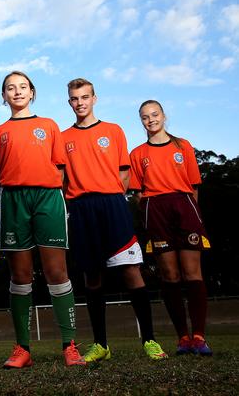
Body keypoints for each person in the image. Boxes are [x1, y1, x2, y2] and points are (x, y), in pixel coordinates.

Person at [62, 78, 167, 362]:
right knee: (92, 276)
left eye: (85, 97)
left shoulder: (113, 130)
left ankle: (149, 340)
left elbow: (124, 174)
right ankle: (101, 345)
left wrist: (110, 196)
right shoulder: (63, 137)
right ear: (69, 102)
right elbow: (62, 180)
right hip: (81, 208)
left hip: (112, 205)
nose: (80, 102)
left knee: (131, 270)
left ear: (94, 98)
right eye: (74, 98)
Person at [0, 71, 85, 369]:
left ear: (32, 92)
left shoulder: (48, 125)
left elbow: (59, 168)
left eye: (22, 87)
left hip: (47, 198)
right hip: (14, 200)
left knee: (56, 270)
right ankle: (22, 348)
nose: (17, 92)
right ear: (4, 96)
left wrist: (44, 188)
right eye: (10, 88)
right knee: (20, 275)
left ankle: (69, 345)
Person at [129, 100, 211, 356]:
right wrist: (150, 213)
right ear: (140, 121)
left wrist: (191, 213)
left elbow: (194, 186)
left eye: (154, 115)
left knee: (192, 272)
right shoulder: (137, 154)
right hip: (156, 209)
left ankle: (199, 336)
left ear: (164, 116)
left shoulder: (182, 146)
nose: (151, 120)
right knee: (170, 275)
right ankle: (182, 338)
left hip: (183, 205)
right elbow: (137, 194)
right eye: (145, 117)